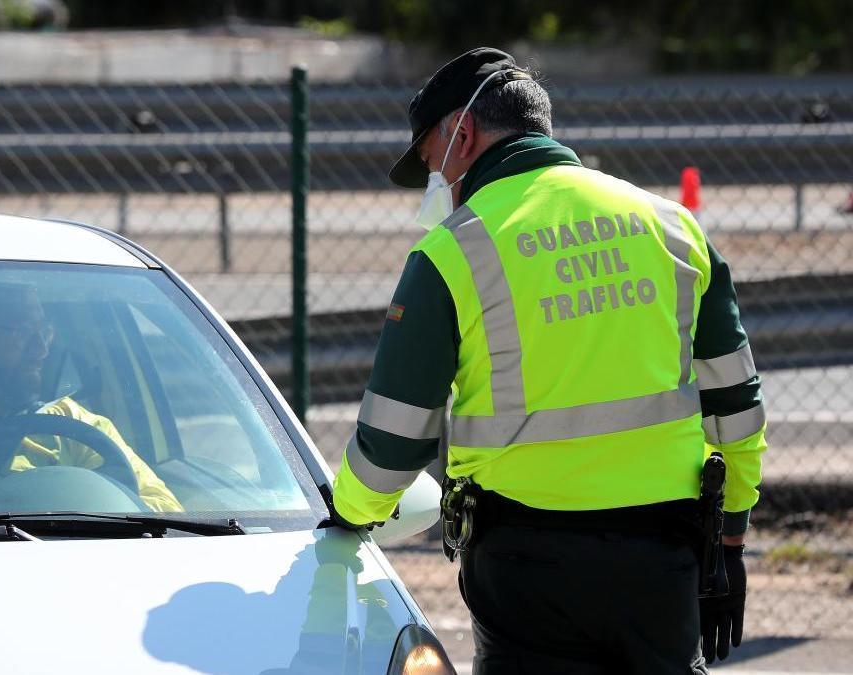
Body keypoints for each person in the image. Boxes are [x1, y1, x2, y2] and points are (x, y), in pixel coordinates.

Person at [328, 48, 767, 674]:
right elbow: (737, 406)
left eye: (431, 162)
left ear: (462, 133)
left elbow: (395, 440)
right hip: (661, 562)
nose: (437, 184)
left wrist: (349, 512)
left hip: (525, 573)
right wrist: (730, 537)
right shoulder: (672, 226)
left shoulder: (452, 253)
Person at [0, 282, 182, 513]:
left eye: (45, 331)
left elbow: (164, 514)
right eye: (22, 331)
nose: (41, 348)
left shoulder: (75, 427)